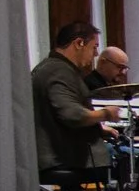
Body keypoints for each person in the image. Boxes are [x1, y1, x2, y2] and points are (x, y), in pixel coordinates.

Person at [31, 20, 112, 178]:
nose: (96, 54)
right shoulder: (58, 71)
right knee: (130, 157)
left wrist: (99, 129)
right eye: (94, 47)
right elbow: (72, 115)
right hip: (61, 157)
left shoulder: (50, 67)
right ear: (79, 43)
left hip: (56, 152)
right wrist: (106, 113)